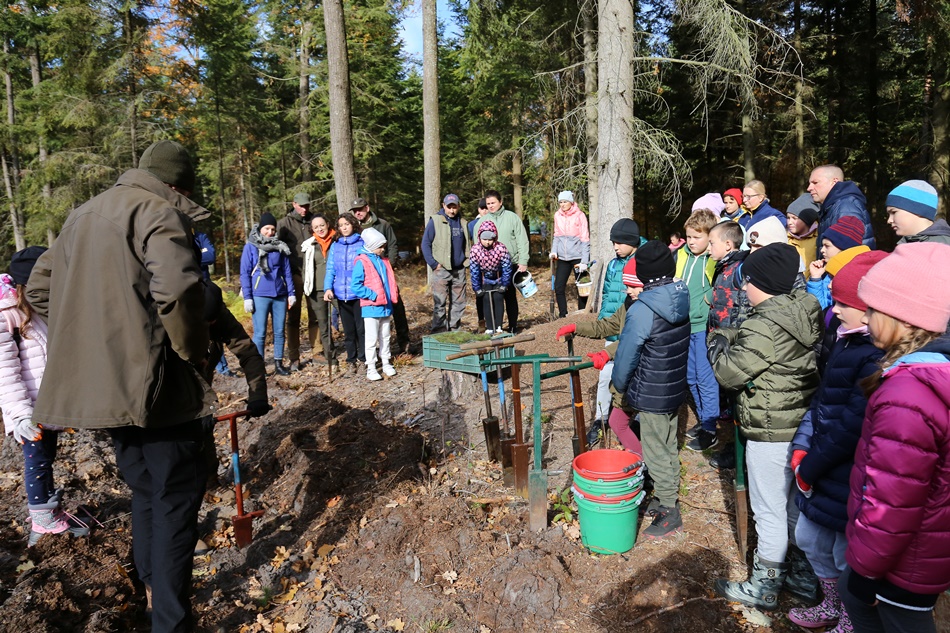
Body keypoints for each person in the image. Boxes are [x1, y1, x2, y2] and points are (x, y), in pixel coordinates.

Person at [26, 140, 217, 632]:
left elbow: (39, 289)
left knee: (146, 490)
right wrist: (191, 350)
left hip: (109, 389)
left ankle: (151, 592)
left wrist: (95, 342)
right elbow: (177, 290)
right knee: (175, 499)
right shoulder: (158, 211)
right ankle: (170, 623)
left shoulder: (81, 215)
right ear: (177, 186)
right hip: (161, 387)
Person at [839, 242, 950, 633]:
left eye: (871, 310)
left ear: (903, 317)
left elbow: (893, 501)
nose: (864, 319)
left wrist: (867, 570)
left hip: (902, 564)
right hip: (922, 553)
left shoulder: (906, 398)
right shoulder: (932, 374)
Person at [709, 243, 823, 611]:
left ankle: (764, 586)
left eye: (748, 282)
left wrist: (718, 342)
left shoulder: (763, 326)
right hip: (800, 424)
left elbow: (728, 373)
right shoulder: (806, 309)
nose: (743, 289)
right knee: (793, 506)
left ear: (764, 284)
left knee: (769, 509)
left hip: (769, 429)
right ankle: (803, 577)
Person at [785, 251, 886, 633]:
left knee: (846, 554)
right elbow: (822, 400)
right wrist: (802, 444)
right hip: (821, 464)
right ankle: (829, 603)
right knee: (809, 537)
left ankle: (849, 616)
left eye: (844, 302)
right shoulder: (844, 340)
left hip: (846, 473)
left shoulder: (875, 357)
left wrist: (810, 465)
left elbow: (850, 425)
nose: (835, 308)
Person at [1, 247, 89, 547]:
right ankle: (42, 520)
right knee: (36, 461)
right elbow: (5, 371)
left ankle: (51, 510)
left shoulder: (39, 308)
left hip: (48, 404)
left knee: (47, 458)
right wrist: (20, 413)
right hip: (27, 409)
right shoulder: (6, 315)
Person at [609, 241, 690, 539]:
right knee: (668, 443)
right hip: (672, 384)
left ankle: (669, 509)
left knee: (656, 449)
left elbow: (628, 353)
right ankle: (667, 494)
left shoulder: (643, 309)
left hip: (653, 388)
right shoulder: (681, 296)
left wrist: (619, 384)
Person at [558, 257, 645, 451]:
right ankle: (639, 461)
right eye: (626, 286)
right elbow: (608, 325)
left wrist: (607, 353)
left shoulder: (648, 310)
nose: (627, 291)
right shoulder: (629, 303)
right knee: (618, 421)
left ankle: (645, 464)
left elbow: (635, 340)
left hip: (645, 375)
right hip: (629, 371)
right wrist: (576, 327)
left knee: (634, 423)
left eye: (632, 286)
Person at [198, 282, 269, 499]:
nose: (211, 324)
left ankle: (210, 481)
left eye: (213, 321)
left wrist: (258, 395)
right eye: (206, 322)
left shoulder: (219, 315)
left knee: (204, 426)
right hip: (173, 382)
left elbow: (248, 353)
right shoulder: (171, 318)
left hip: (202, 377)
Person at [587, 218, 641, 446]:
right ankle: (601, 419)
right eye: (613, 242)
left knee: (632, 378)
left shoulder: (643, 260)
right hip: (613, 327)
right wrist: (603, 323)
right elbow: (608, 296)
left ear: (632, 242)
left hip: (634, 326)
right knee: (606, 376)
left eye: (619, 242)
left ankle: (634, 420)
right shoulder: (612, 264)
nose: (615, 246)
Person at [705, 221, 750, 470]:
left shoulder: (740, 269)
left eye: (712, 243)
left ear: (728, 244)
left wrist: (734, 341)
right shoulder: (722, 267)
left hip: (734, 346)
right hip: (720, 343)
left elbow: (744, 310)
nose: (709, 248)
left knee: (738, 405)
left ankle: (738, 453)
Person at [675, 208, 719, 452]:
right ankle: (704, 421)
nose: (691, 242)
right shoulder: (682, 255)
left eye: (696, 237)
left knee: (705, 378)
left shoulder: (712, 259)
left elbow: (723, 283)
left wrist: (707, 299)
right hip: (684, 325)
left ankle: (711, 428)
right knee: (690, 377)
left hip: (703, 326)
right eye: (689, 237)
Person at [350, 198, 410, 354]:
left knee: (397, 305)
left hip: (384, 272)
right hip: (365, 273)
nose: (358, 212)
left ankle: (404, 341)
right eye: (355, 210)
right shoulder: (353, 227)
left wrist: (388, 265)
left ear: (367, 208)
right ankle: (367, 348)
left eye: (360, 209)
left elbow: (392, 245)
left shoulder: (383, 225)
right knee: (366, 310)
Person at [240, 212, 295, 376]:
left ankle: (278, 364)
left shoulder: (280, 246)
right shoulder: (251, 246)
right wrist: (248, 298)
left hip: (280, 294)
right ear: (260, 228)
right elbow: (244, 273)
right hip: (259, 295)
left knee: (279, 331)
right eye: (266, 228)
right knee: (260, 333)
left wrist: (291, 292)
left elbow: (287, 271)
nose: (270, 232)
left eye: (272, 229)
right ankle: (259, 367)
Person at [472, 190, 530, 332]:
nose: (491, 206)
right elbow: (476, 244)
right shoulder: (481, 222)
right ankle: (492, 326)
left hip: (510, 264)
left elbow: (522, 240)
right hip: (488, 268)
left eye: (493, 203)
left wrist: (523, 260)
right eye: (488, 204)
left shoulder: (512, 218)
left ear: (500, 202)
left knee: (509, 296)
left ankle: (512, 325)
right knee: (489, 298)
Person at [351, 228, 399, 381]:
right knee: (371, 339)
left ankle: (386, 362)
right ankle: (371, 366)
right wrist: (372, 295)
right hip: (371, 306)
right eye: (380, 246)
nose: (383, 249)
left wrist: (391, 296)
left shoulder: (383, 260)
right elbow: (355, 285)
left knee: (385, 336)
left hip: (386, 305)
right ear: (372, 246)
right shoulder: (362, 261)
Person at [277, 193, 316, 372]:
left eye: (307, 205)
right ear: (294, 204)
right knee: (293, 318)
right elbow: (275, 246)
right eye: (301, 206)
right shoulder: (284, 224)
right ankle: (294, 357)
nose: (304, 209)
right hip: (293, 275)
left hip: (314, 273)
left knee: (315, 314)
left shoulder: (314, 220)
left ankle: (318, 351)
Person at [421, 193, 470, 332]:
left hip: (459, 269)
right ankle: (439, 332)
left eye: (454, 207)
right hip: (441, 269)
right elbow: (425, 244)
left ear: (458, 206)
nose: (452, 210)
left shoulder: (463, 223)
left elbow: (467, 244)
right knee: (439, 303)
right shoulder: (435, 221)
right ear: (443, 206)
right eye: (449, 207)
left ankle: (455, 330)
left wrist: (467, 261)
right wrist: (433, 264)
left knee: (459, 303)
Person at [324, 213, 366, 372]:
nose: (344, 227)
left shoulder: (362, 243)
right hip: (341, 293)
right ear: (338, 228)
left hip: (358, 293)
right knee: (348, 331)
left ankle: (363, 359)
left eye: (347, 224)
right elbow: (331, 269)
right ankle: (351, 360)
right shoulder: (336, 245)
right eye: (341, 225)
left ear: (353, 225)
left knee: (361, 329)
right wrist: (328, 288)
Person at [807, 165, 874, 255]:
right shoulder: (831, 207)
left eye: (815, 183)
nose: (809, 188)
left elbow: (848, 252)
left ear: (834, 182)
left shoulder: (846, 206)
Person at [807, 216, 868, 310]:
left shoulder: (854, 277)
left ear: (843, 248)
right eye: (822, 246)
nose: (822, 250)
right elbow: (821, 309)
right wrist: (816, 278)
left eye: (827, 246)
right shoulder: (829, 274)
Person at [300, 214, 337, 365]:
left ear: (327, 224)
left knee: (349, 321)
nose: (320, 229)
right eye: (316, 227)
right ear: (312, 229)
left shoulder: (338, 241)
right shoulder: (309, 245)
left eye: (322, 225)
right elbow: (305, 270)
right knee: (323, 325)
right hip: (317, 291)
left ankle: (356, 353)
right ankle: (331, 357)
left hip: (337, 288)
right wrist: (306, 287)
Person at [550, 190, 591, 318]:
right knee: (559, 286)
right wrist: (554, 250)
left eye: (565, 202)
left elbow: (585, 239)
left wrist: (584, 261)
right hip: (563, 257)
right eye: (560, 202)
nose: (562, 204)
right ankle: (563, 315)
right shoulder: (557, 215)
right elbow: (556, 235)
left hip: (578, 257)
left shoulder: (580, 216)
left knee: (582, 287)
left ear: (571, 202)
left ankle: (583, 314)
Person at [469, 221, 512, 335]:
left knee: (498, 298)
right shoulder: (475, 250)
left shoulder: (501, 248)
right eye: (485, 239)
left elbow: (507, 267)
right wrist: (477, 287)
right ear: (479, 237)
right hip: (485, 278)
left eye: (490, 239)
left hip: (499, 277)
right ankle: (489, 327)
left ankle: (498, 326)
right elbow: (474, 270)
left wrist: (504, 284)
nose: (487, 242)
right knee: (486, 299)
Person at [886, 179, 950, 245]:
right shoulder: (905, 244)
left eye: (894, 212)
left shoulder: (943, 247)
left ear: (920, 210)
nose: (889, 220)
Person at [468, 198, 490, 331]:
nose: (485, 211)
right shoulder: (471, 225)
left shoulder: (493, 221)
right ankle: (481, 321)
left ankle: (493, 321)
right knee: (479, 293)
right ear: (479, 210)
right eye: (482, 208)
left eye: (486, 208)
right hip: (478, 263)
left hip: (493, 263)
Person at [786, 194, 821, 272]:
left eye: (794, 218)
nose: (790, 222)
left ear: (806, 220)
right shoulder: (784, 239)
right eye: (788, 218)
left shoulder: (819, 239)